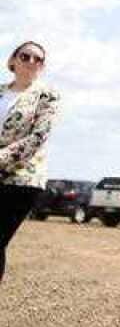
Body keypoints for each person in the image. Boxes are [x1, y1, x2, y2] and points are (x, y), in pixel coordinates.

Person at [1, 41, 59, 282]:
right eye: (26, 56)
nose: (32, 62)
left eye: (38, 59)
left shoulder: (47, 96)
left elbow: (38, 137)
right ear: (13, 61)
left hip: (22, 179)